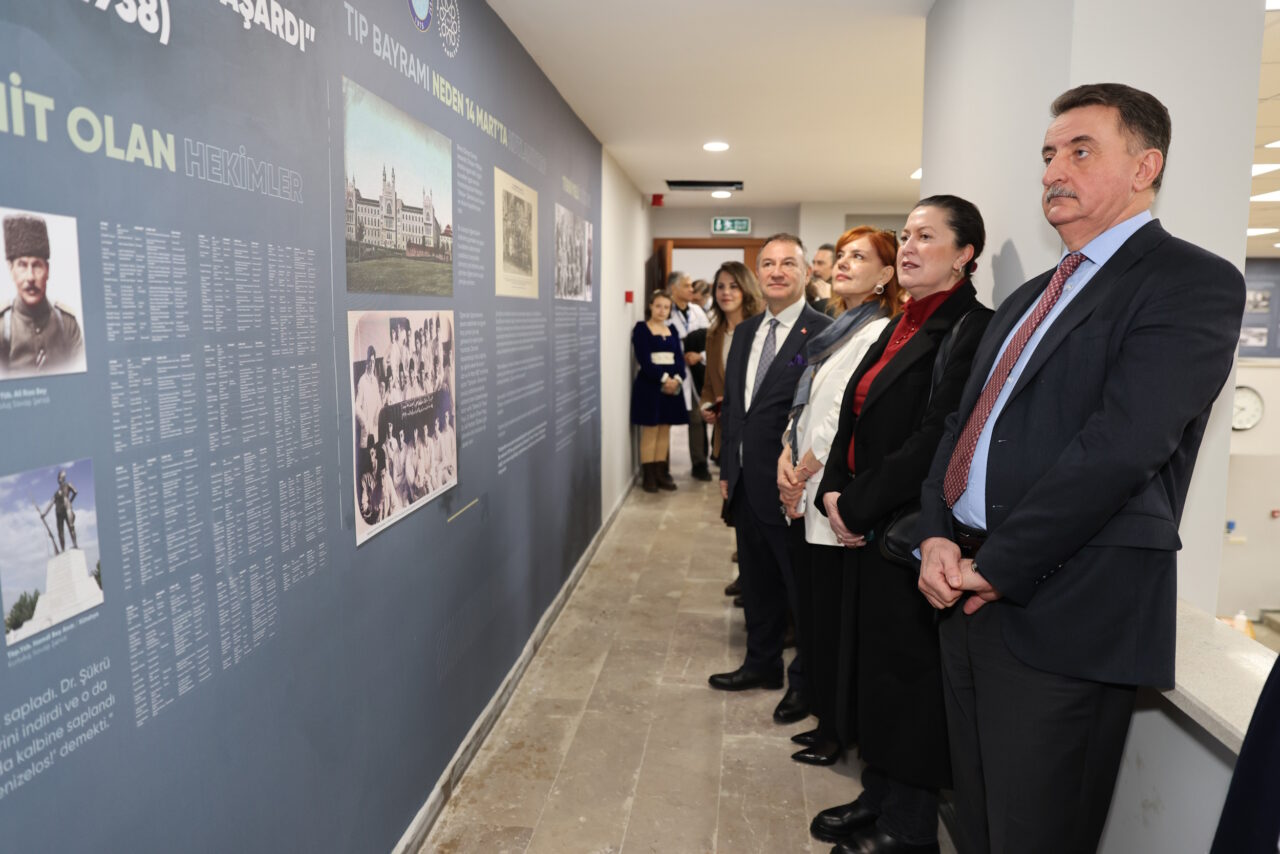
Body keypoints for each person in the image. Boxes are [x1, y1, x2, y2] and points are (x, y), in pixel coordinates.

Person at [916, 84, 1245, 854]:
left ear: (1145, 167)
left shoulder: (1189, 281)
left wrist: (998, 564)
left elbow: (1122, 447)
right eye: (1048, 154)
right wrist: (935, 534)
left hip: (1067, 609)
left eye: (1080, 151)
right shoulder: (1033, 296)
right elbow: (964, 428)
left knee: (1037, 834)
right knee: (979, 824)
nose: (1052, 171)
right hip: (965, 591)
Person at [811, 196, 992, 854]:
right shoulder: (899, 323)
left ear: (964, 255)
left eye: (926, 237)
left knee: (909, 677)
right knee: (874, 668)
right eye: (906, 235)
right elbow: (853, 416)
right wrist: (833, 490)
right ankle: (877, 795)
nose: (909, 247)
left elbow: (938, 437)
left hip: (911, 530)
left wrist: (856, 506)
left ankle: (908, 828)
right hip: (865, 517)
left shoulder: (971, 329)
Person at [775, 227, 900, 768]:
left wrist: (800, 472)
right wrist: (785, 455)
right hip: (803, 484)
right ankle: (825, 718)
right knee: (812, 618)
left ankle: (835, 729)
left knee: (833, 623)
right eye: (842, 255)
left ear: (886, 275)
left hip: (831, 494)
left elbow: (840, 416)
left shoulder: (879, 331)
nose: (844, 263)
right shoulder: (837, 330)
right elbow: (804, 405)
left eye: (859, 257)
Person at [708, 233, 832, 728]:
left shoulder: (824, 332)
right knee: (757, 585)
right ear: (757, 273)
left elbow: (823, 415)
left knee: (799, 592)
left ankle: (804, 683)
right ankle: (761, 664)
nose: (777, 272)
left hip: (791, 487)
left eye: (788, 263)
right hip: (745, 485)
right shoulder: (745, 332)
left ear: (806, 272)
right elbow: (735, 411)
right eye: (768, 264)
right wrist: (727, 469)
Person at [702, 260, 765, 597]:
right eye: (720, 287)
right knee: (736, 506)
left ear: (746, 289)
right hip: (726, 435)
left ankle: (755, 578)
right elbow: (709, 383)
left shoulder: (761, 330)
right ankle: (747, 574)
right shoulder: (714, 335)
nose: (726, 293)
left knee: (756, 509)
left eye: (733, 286)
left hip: (756, 436)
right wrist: (707, 406)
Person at [1, 214, 83, 378]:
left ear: (48, 270)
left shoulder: (67, 324)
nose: (30, 277)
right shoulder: (2, 327)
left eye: (37, 266)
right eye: (22, 265)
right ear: (11, 270)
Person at [631, 290, 688, 493]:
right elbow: (644, 360)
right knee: (651, 430)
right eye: (658, 306)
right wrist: (664, 379)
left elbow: (679, 359)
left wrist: (677, 379)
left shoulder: (672, 330)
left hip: (672, 387)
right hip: (650, 386)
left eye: (666, 307)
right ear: (650, 307)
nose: (662, 311)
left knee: (665, 429)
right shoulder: (641, 329)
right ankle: (649, 476)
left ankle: (660, 473)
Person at [666, 272, 712, 481]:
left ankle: (700, 463)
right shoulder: (666, 310)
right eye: (686, 286)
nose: (691, 290)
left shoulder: (697, 311)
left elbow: (710, 340)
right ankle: (661, 466)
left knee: (697, 418)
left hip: (695, 373)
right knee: (665, 420)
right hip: (670, 373)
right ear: (673, 288)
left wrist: (699, 355)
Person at [41, 469, 78, 551]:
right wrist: (44, 513)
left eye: (60, 477)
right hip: (59, 512)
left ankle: (75, 545)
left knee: (71, 527)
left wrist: (70, 501)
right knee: (60, 532)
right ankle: (63, 550)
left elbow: (75, 492)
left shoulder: (68, 484)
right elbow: (51, 503)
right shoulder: (56, 492)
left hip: (67, 509)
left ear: (63, 478)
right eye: (58, 478)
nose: (59, 479)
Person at [807, 242, 837, 314]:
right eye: (814, 263)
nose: (814, 269)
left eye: (820, 263)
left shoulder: (844, 297)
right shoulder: (806, 290)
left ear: (835, 267)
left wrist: (825, 301)